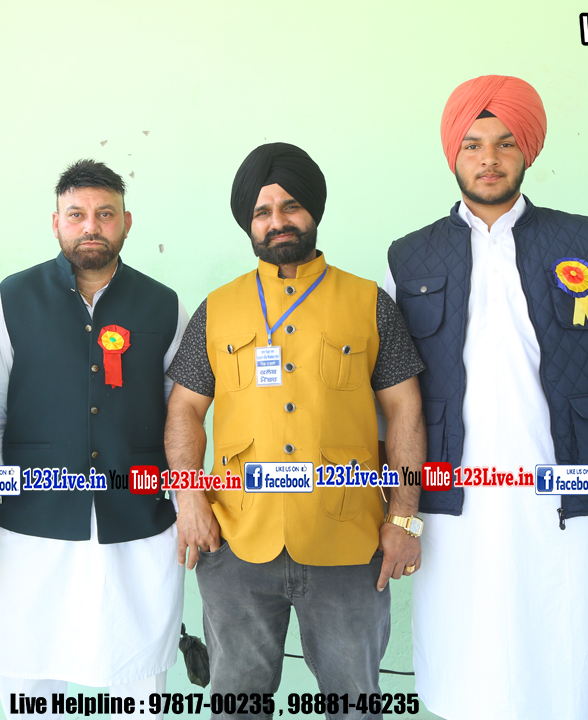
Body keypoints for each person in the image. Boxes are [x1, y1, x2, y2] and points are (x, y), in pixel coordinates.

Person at [384, 75, 588, 720]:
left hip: (571, 488)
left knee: (569, 647)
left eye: (506, 143)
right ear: (453, 153)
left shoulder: (584, 243)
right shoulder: (408, 256)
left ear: (527, 150)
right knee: (467, 654)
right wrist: (397, 507)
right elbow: (390, 393)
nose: (489, 158)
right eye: (474, 144)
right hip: (456, 498)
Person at [166, 142, 427, 720]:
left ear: (313, 211)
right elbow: (184, 409)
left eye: (290, 206)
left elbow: (405, 411)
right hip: (237, 541)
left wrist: (404, 517)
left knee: (355, 705)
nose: (277, 221)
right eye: (262, 212)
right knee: (236, 705)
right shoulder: (218, 309)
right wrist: (189, 499)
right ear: (248, 223)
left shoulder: (369, 303)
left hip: (348, 542)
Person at [0, 159, 189, 719]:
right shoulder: (11, 299)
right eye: (76, 215)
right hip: (30, 524)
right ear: (56, 223)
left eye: (105, 214)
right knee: (28, 677)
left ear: (126, 222)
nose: (90, 226)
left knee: (139, 679)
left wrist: (186, 502)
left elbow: (182, 416)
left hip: (138, 523)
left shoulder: (164, 304)